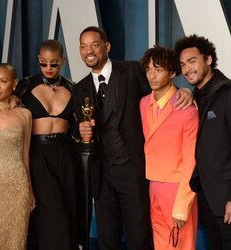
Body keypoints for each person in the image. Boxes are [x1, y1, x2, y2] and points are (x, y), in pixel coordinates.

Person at [74, 26, 194, 250]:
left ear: (107, 46)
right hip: (102, 176)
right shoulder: (79, 89)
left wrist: (185, 91)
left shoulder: (132, 71)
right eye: (83, 46)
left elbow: (160, 90)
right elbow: (75, 128)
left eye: (94, 44)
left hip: (134, 171)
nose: (88, 50)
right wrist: (79, 132)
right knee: (106, 239)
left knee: (139, 236)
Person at [15, 40, 77, 250]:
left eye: (54, 64)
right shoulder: (24, 88)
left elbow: (81, 125)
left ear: (63, 61)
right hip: (37, 155)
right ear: (38, 61)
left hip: (66, 155)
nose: (48, 68)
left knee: (67, 211)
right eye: (44, 64)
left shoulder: (73, 88)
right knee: (50, 214)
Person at [174, 34, 231, 250]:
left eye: (192, 61)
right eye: (182, 65)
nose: (187, 69)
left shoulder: (227, 92)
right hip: (207, 197)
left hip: (226, 199)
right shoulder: (196, 95)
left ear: (208, 59)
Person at [140, 45, 198, 250]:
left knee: (180, 244)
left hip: (178, 188)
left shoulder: (186, 108)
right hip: (153, 184)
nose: (152, 75)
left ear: (172, 72)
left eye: (158, 69)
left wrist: (182, 205)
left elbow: (191, 159)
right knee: (160, 243)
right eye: (148, 69)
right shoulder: (143, 103)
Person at [0, 63, 32, 248]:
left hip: (18, 188)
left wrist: (30, 192)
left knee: (15, 243)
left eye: (3, 81)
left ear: (14, 84)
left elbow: (25, 156)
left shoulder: (24, 115)